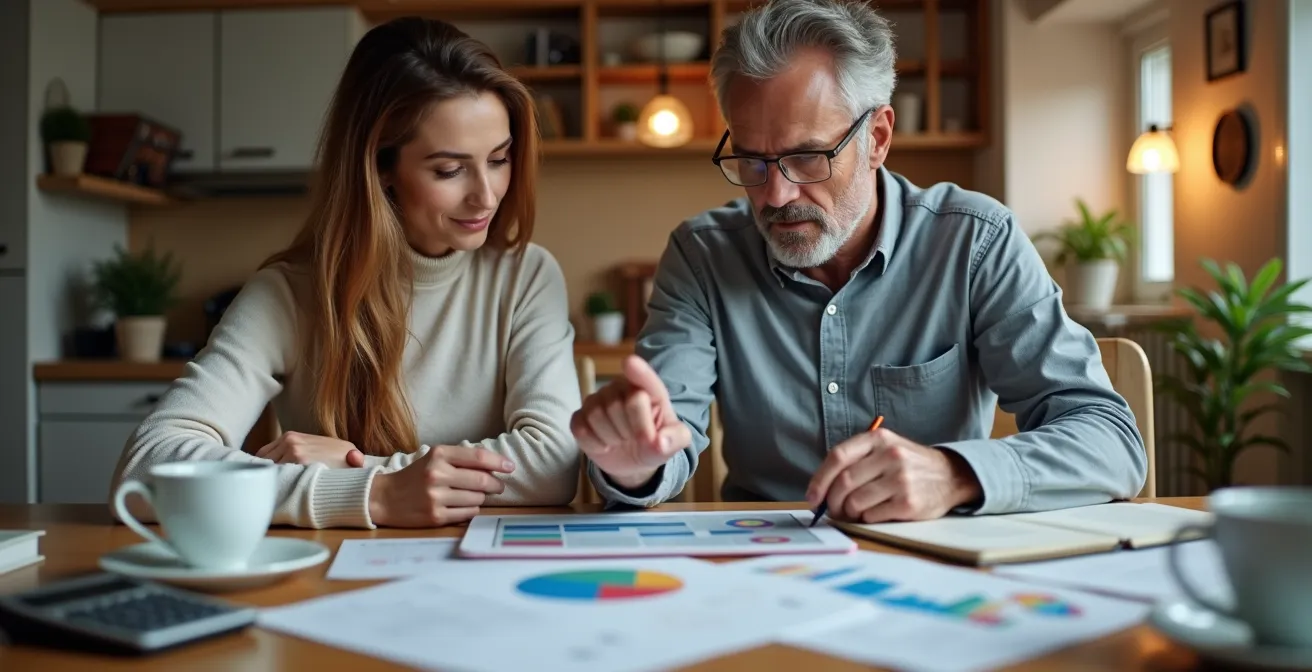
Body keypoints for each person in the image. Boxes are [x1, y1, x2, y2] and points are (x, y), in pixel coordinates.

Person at [571, 0, 1147, 522]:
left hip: (936, 564)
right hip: (761, 571)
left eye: (806, 156)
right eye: (753, 160)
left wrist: (954, 474)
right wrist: (634, 465)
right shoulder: (702, 257)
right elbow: (666, 437)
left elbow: (1111, 441)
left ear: (877, 136)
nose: (775, 195)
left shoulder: (976, 242)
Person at [111, 17, 581, 529]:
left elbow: (556, 463)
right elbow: (146, 468)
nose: (487, 195)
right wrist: (375, 495)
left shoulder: (526, 276)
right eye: (449, 170)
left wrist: (374, 475)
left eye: (499, 159)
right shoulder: (289, 295)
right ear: (380, 169)